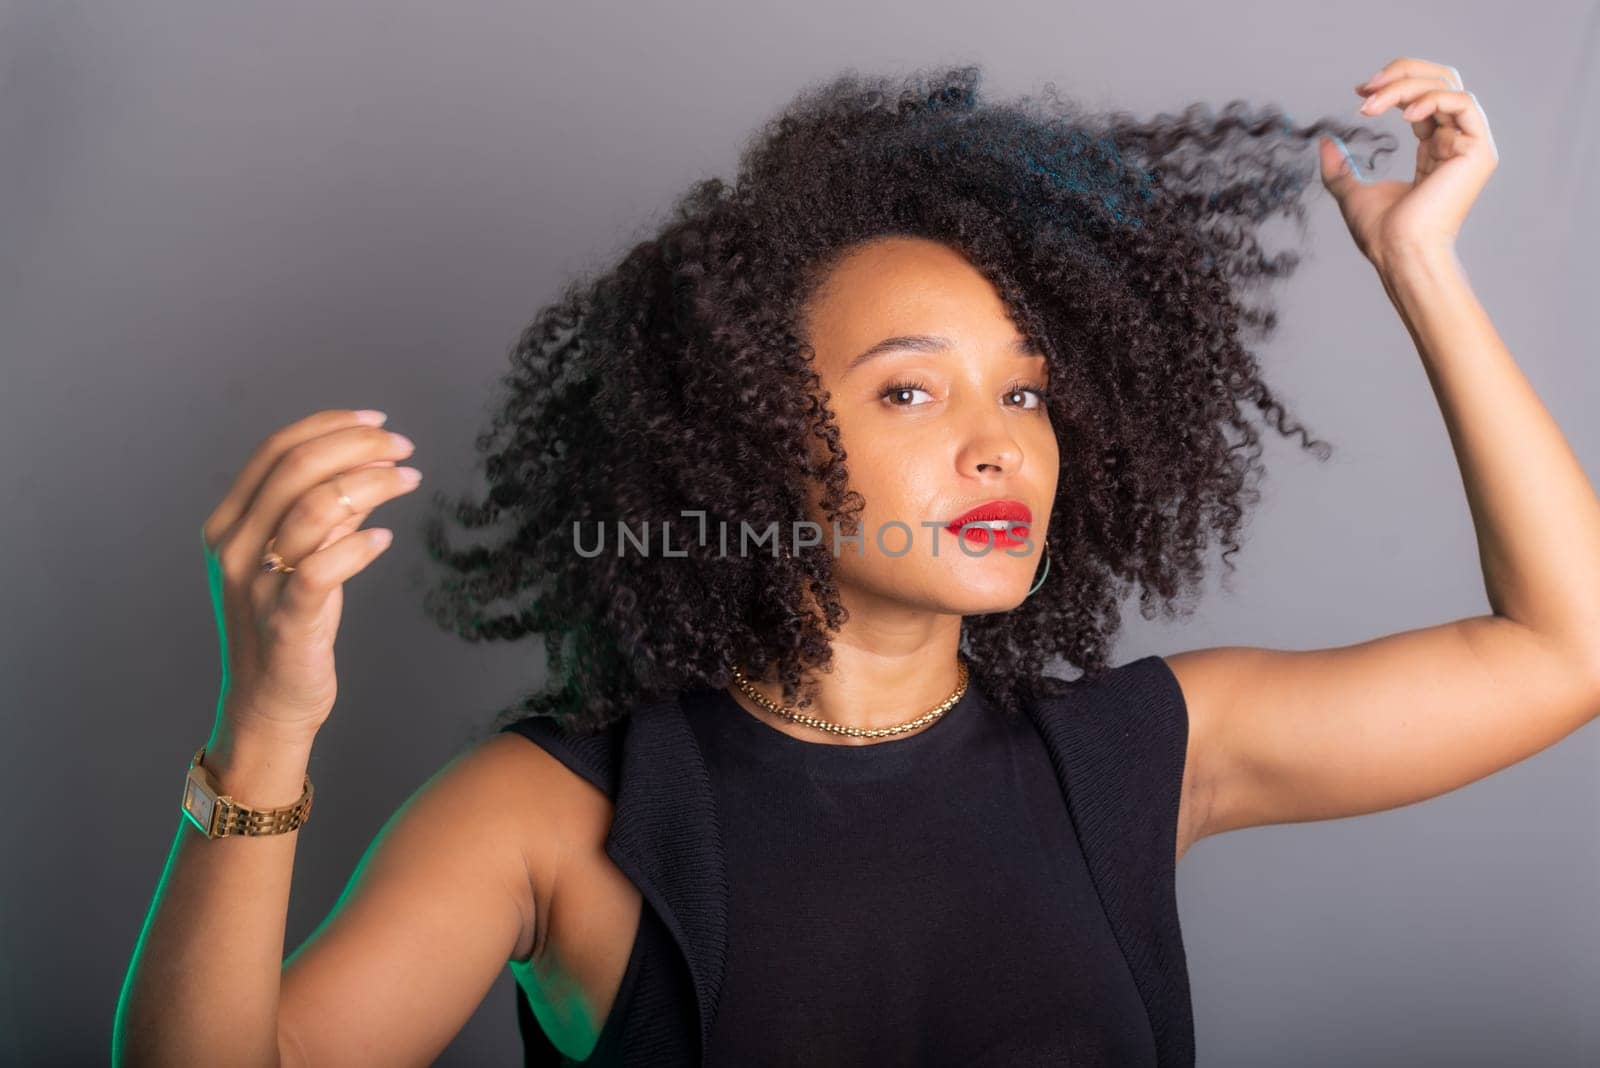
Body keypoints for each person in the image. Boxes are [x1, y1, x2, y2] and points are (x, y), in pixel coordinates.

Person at [114, 56, 1600, 1067]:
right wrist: (264, 733)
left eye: (1023, 391)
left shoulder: (1139, 754)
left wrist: (1422, 268)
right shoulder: (558, 815)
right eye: (910, 389)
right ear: (748, 441)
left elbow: (1567, 653)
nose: (1002, 440)